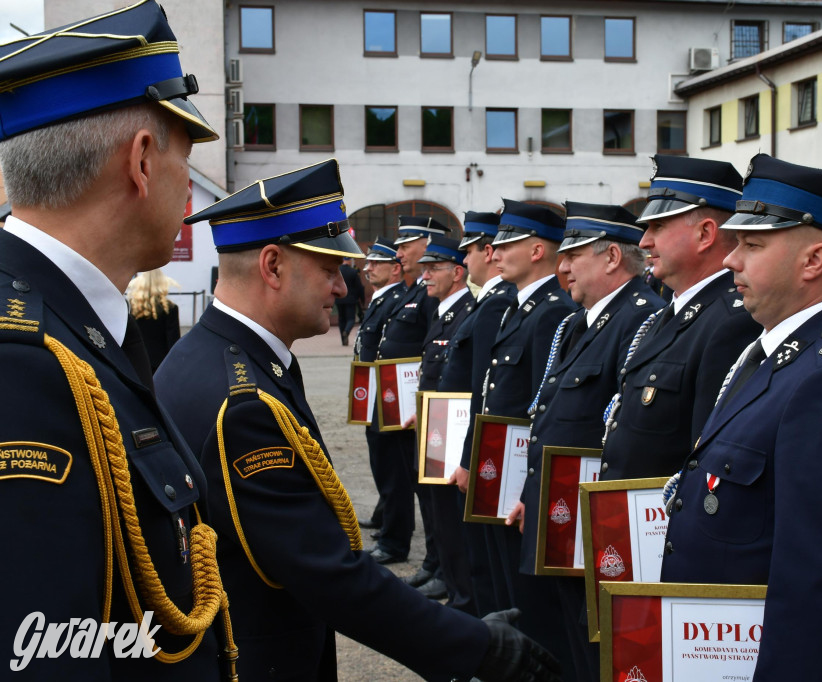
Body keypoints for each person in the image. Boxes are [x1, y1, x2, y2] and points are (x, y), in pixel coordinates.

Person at [155, 160, 560, 682]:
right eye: (328, 270)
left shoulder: (212, 359)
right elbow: (322, 569)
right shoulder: (243, 399)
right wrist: (476, 645)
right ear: (272, 266)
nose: (344, 289)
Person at [0, 3, 228, 679]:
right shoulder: (23, 365)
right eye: (186, 159)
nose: (189, 192)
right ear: (143, 160)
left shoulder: (72, 324)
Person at [660, 154, 822, 680]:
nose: (730, 261)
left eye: (752, 245)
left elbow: (817, 584)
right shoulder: (769, 354)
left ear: (812, 261)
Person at [512, 201, 662, 678]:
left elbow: (623, 430)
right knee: (565, 637)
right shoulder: (583, 321)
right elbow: (556, 416)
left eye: (573, 256)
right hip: (565, 512)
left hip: (599, 522)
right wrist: (529, 496)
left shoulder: (641, 318)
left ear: (612, 257)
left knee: (595, 645)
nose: (562, 268)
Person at [600, 155, 760, 480]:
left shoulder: (731, 323)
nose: (644, 241)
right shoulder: (667, 314)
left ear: (705, 234)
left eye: (658, 226)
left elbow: (706, 466)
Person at [483, 199, 577, 672]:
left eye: (508, 243)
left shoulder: (549, 312)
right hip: (505, 469)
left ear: (538, 249)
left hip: (522, 470)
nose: (495, 253)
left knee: (535, 596)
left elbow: (543, 409)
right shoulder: (519, 308)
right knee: (512, 584)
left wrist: (527, 489)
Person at [444, 210, 517, 617]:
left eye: (468, 251)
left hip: (486, 450)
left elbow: (481, 393)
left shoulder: (495, 306)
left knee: (489, 562)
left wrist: (469, 457)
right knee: (480, 556)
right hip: (470, 443)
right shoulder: (488, 303)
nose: (465, 261)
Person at [369, 216, 445, 568]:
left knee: (414, 482)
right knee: (397, 473)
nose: (399, 252)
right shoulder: (414, 291)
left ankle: (411, 548)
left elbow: (432, 349)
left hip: (412, 402)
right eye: (398, 247)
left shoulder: (428, 295)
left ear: (427, 245)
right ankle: (409, 545)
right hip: (394, 399)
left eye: (404, 246)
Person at [414, 235, 477, 606]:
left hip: (451, 431)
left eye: (433, 268)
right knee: (436, 511)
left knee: (451, 519)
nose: (425, 276)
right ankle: (446, 578)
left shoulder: (467, 312)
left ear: (457, 272)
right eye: (423, 269)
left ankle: (460, 592)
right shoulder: (441, 311)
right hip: (434, 425)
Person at [354, 238, 407, 535]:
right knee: (380, 460)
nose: (367, 268)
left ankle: (393, 528)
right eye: (368, 262)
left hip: (389, 395)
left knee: (391, 466)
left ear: (396, 269)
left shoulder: (397, 299)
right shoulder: (381, 297)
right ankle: (384, 510)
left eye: (376, 263)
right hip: (373, 391)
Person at [127, 269, 182, 371]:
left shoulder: (132, 306)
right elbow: (173, 340)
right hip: (161, 362)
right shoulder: (170, 308)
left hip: (135, 359)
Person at [335, 257, 365, 346]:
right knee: (351, 319)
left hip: (339, 299)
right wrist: (362, 299)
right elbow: (359, 287)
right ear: (349, 260)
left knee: (341, 319)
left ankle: (343, 339)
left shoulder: (338, 271)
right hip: (351, 299)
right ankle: (346, 332)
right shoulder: (353, 272)